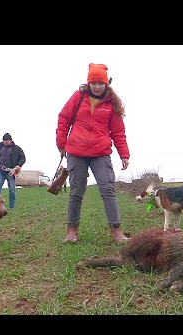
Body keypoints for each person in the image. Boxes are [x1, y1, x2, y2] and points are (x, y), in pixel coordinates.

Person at [56, 63, 130, 244]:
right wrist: (61, 144)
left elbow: (118, 132)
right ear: (89, 83)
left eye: (100, 83)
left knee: (108, 190)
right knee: (76, 192)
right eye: (94, 83)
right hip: (76, 151)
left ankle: (116, 231)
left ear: (107, 84)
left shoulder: (112, 103)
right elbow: (64, 118)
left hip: (100, 153)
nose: (97, 87)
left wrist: (124, 154)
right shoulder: (78, 97)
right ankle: (72, 230)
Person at [0, 133, 26, 209]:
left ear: (10, 140)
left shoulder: (17, 148)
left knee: (12, 190)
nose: (6, 142)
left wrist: (18, 165)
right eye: (4, 140)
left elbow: (23, 158)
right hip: (0, 171)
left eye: (7, 140)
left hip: (11, 172)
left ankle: (12, 206)